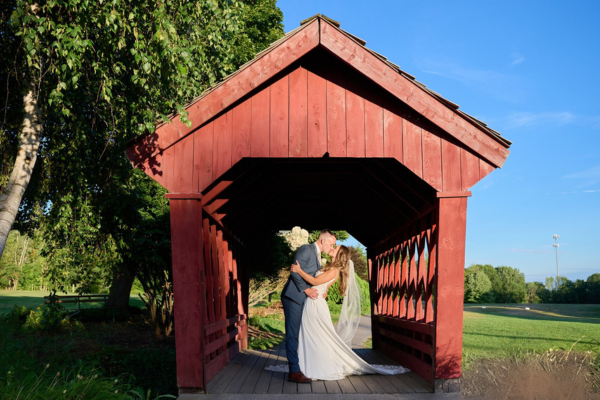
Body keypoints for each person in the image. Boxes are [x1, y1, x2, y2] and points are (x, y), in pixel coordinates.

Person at [274, 240, 410, 381]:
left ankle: (316, 366)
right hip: (313, 302)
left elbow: (315, 282)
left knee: (317, 335)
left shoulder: (334, 270)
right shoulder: (328, 267)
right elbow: (323, 286)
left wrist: (299, 270)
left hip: (315, 305)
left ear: (339, 254)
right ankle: (307, 364)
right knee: (312, 335)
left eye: (335, 247)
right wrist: (323, 290)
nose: (332, 248)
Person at [280, 229, 336, 383]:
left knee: (301, 334)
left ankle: (302, 365)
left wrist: (322, 289)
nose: (332, 248)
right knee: (293, 334)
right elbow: (294, 271)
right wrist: (306, 289)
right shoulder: (306, 249)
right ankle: (294, 371)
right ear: (324, 240)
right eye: (331, 244)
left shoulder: (318, 254)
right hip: (293, 297)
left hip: (304, 299)